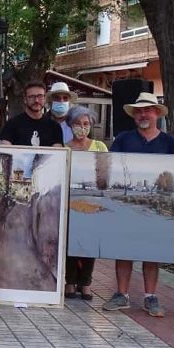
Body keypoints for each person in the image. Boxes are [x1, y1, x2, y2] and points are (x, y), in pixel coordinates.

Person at [103, 92, 174, 317]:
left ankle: (150, 296)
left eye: (147, 110)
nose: (142, 114)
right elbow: (112, 169)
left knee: (152, 250)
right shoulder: (123, 139)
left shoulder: (169, 142)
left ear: (157, 113)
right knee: (123, 250)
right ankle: (121, 294)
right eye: (138, 111)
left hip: (156, 206)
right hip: (127, 204)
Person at [64, 106, 107, 301]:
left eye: (86, 124)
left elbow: (105, 173)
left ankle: (86, 283)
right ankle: (70, 281)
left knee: (89, 242)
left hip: (92, 201)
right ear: (70, 125)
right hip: (70, 201)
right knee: (71, 241)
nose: (82, 128)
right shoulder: (65, 147)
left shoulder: (100, 147)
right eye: (78, 124)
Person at [0, 81, 64, 147]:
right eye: (32, 96)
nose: (36, 100)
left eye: (40, 96)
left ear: (45, 99)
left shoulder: (55, 127)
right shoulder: (11, 125)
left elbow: (58, 154)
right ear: (25, 99)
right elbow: (5, 151)